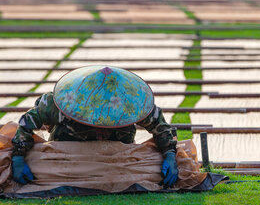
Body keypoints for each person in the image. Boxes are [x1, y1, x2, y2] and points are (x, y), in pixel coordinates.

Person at [11, 65, 179, 187]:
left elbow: (160, 126)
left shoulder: (133, 102)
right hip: (67, 158)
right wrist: (19, 155)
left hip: (116, 159)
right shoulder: (57, 103)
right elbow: (27, 123)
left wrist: (170, 154)